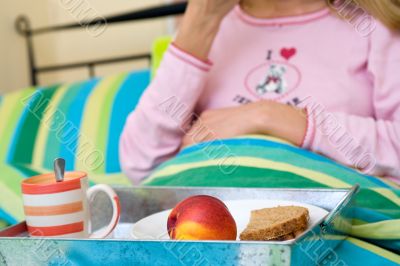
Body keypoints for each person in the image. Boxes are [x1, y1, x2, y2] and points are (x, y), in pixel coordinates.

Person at [120, 0, 400, 184]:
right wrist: (198, 25)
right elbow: (141, 166)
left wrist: (268, 116)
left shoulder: (374, 24)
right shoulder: (209, 30)